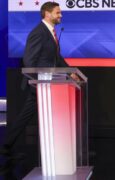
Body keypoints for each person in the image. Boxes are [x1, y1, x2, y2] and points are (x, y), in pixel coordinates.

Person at [0, 1, 77, 174]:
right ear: (47, 14)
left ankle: (7, 145)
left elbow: (56, 58)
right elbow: (29, 60)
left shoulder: (51, 32)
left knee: (25, 117)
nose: (61, 15)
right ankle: (8, 146)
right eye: (58, 12)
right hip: (41, 85)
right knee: (30, 116)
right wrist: (38, 82)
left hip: (48, 84)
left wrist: (70, 72)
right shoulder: (38, 33)